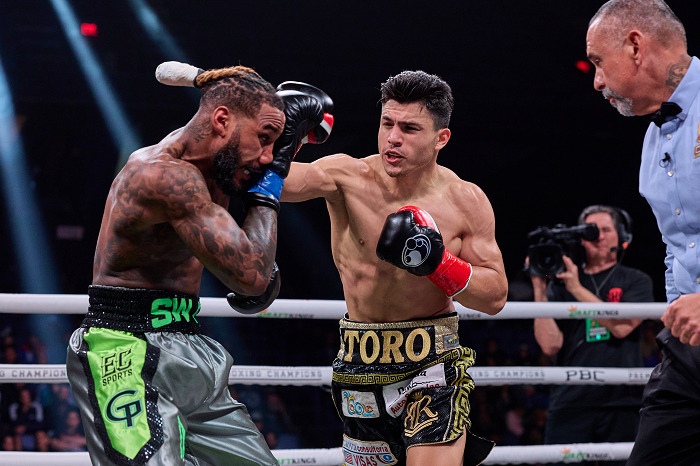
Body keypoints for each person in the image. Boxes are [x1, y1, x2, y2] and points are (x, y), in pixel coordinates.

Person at [65, 63, 331, 465]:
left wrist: (279, 143)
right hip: (123, 348)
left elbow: (256, 270)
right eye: (264, 139)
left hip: (189, 344)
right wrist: (275, 174)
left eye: (274, 145)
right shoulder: (164, 176)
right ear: (221, 121)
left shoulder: (219, 166)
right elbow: (252, 278)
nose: (267, 156)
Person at [282, 70, 508, 465]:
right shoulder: (345, 177)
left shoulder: (465, 200)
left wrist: (437, 263)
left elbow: (494, 297)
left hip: (431, 364)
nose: (393, 137)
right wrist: (283, 137)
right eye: (387, 123)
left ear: (441, 138)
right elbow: (268, 185)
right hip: (360, 362)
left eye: (410, 128)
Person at [586, 1, 700, 463]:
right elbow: (677, 242)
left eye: (598, 61)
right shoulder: (654, 139)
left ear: (636, 46)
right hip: (688, 350)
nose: (596, 80)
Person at [530, 205, 653, 464]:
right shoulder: (562, 284)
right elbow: (550, 345)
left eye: (606, 230)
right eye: (591, 231)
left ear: (621, 236)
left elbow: (621, 327)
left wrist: (576, 288)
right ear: (581, 239)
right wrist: (539, 288)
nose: (599, 236)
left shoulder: (636, 280)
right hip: (571, 399)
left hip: (622, 399)